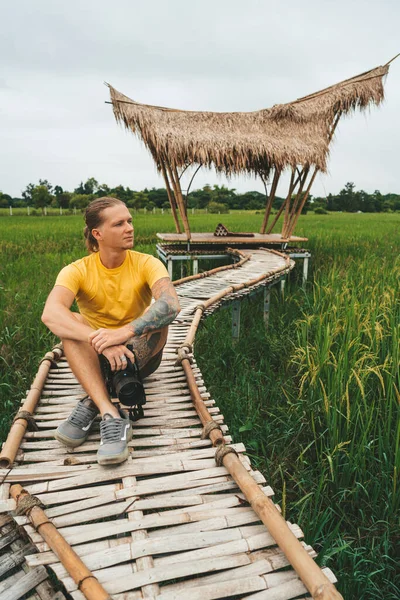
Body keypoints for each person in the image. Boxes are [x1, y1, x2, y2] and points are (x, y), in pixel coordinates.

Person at [41, 197, 180, 465]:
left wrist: (124, 333)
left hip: (138, 354)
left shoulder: (146, 263)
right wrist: (103, 342)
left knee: (160, 319)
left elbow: (171, 304)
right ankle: (110, 411)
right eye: (119, 224)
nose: (129, 228)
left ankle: (92, 399)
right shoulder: (77, 270)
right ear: (98, 234)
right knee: (70, 322)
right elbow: (51, 313)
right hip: (97, 353)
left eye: (129, 221)